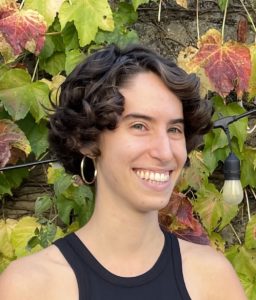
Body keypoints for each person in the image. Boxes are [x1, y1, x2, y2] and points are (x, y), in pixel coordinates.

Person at [0, 44, 247, 300]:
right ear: (87, 141)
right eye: (140, 126)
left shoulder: (212, 279)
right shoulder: (30, 287)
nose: (164, 152)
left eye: (174, 130)